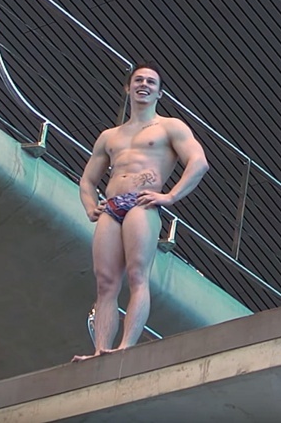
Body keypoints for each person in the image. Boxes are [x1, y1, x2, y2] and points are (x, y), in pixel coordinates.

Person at [72, 62, 209, 361]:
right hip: (111, 206)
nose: (144, 85)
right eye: (138, 80)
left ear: (159, 93)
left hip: (141, 203)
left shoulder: (170, 126)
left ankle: (126, 347)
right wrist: (90, 206)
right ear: (128, 88)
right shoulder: (110, 135)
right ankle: (100, 350)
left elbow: (198, 162)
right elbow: (87, 180)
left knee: (137, 275)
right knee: (105, 282)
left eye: (150, 81)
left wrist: (170, 196)